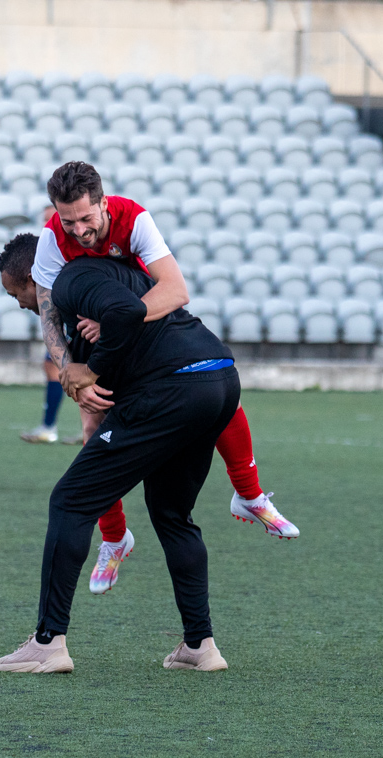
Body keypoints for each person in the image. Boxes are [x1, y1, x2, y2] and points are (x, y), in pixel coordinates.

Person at [32, 161, 299, 595]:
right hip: (94, 338)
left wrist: (119, 321)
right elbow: (49, 314)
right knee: (92, 426)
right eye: (68, 221)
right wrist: (67, 369)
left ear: (103, 202)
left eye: (87, 218)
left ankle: (249, 494)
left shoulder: (134, 218)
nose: (79, 230)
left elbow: (176, 290)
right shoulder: (52, 240)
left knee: (214, 383)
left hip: (146, 323)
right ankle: (115, 538)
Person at [0, 236, 241, 673]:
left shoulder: (71, 282)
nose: (19, 304)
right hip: (218, 376)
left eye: (17, 294)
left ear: (35, 275)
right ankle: (200, 646)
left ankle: (48, 643)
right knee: (172, 515)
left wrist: (88, 375)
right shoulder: (115, 273)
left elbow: (122, 320)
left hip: (175, 387)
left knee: (70, 501)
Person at [20, 204, 73, 444]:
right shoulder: (52, 247)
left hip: (75, 320)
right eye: (44, 220)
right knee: (52, 365)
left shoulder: (67, 247)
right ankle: (52, 426)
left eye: (50, 219)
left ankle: (50, 427)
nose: (46, 225)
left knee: (57, 366)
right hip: (64, 319)